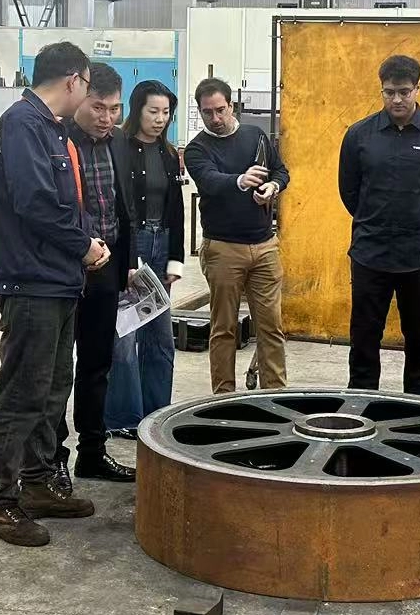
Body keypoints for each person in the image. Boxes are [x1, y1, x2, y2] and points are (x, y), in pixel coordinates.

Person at [0, 42, 108, 548]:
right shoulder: (23, 124)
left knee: (52, 389)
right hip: (32, 282)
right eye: (88, 87)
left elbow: (64, 202)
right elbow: (35, 202)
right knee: (21, 393)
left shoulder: (51, 128)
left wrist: (87, 242)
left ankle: (35, 484)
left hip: (57, 281)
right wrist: (83, 246)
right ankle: (1, 503)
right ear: (75, 81)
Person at [338, 55, 420, 395]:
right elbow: (349, 191)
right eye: (389, 92)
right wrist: (376, 222)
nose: (397, 100)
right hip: (370, 255)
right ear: (381, 90)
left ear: (417, 89)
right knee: (364, 340)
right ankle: (360, 408)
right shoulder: (359, 136)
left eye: (404, 92)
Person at [56, 63, 137, 483]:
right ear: (79, 100)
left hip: (106, 270)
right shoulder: (57, 139)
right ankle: (52, 458)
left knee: (96, 365)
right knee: (56, 373)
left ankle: (92, 452)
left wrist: (127, 263)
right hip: (65, 271)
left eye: (115, 109)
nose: (107, 118)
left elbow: (125, 206)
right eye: (98, 108)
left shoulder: (118, 141)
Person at [184, 78, 289, 393]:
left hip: (264, 246)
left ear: (231, 106)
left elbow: (281, 170)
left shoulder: (255, 136)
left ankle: (275, 397)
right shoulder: (197, 149)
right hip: (223, 248)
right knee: (224, 328)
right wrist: (241, 181)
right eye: (207, 112)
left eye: (220, 110)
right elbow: (210, 180)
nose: (215, 118)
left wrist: (273, 187)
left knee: (271, 328)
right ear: (199, 112)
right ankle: (223, 398)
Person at [105, 81, 185, 435]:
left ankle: (156, 413)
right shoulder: (118, 147)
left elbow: (177, 209)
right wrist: (126, 257)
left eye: (166, 112)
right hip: (131, 243)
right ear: (137, 110)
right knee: (124, 339)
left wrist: (175, 260)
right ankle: (123, 418)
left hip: (160, 242)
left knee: (160, 338)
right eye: (153, 111)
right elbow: (116, 206)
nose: (160, 119)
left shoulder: (169, 153)